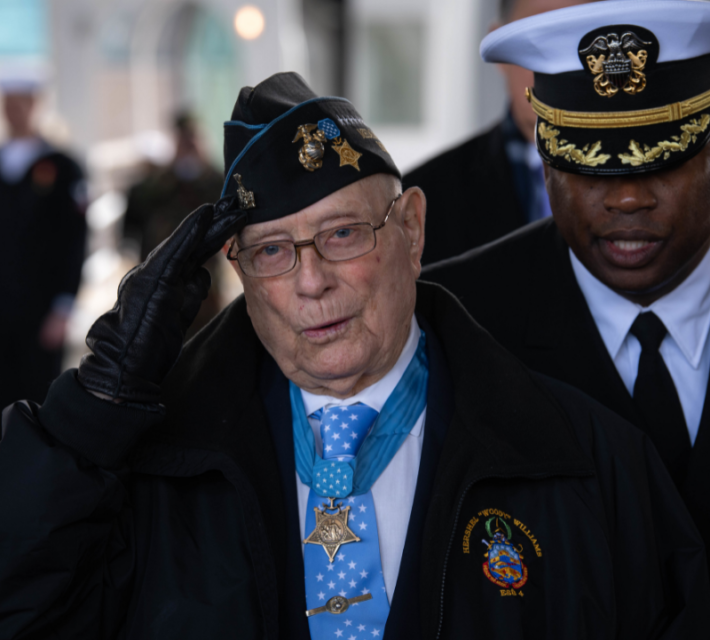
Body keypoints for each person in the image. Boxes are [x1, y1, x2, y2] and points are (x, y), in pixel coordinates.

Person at [0, 72, 707, 640]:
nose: (312, 281)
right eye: (273, 251)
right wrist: (88, 421)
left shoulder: (588, 460)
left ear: (413, 230)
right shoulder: (149, 470)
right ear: (239, 270)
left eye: (342, 235)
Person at [424, 0, 710, 565]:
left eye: (662, 157)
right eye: (590, 162)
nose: (628, 196)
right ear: (546, 161)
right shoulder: (452, 323)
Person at [403, 0, 597, 265]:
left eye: (584, 36)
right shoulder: (424, 203)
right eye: (539, 38)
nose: (563, 62)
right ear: (499, 46)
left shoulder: (665, 178)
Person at [0, 69, 87, 410]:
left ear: (36, 104)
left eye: (22, 101)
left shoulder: (62, 166)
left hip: (41, 307)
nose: (15, 109)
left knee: (37, 400)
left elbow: (74, 239)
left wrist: (64, 305)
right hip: (3, 305)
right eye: (9, 102)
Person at [123, 110, 224, 338]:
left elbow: (223, 199)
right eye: (182, 139)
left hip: (205, 278)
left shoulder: (212, 178)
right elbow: (138, 206)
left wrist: (202, 169)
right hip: (160, 279)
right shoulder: (159, 182)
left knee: (205, 339)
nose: (186, 146)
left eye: (191, 139)